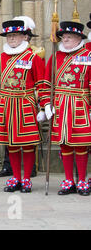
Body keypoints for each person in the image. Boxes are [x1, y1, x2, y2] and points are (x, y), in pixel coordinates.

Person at [0, 18, 45, 193]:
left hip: (25, 104)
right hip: (5, 104)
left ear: (24, 36)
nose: (11, 38)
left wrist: (43, 106)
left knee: (27, 144)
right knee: (10, 144)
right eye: (9, 36)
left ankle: (26, 178)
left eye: (15, 35)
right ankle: (16, 178)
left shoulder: (32, 57)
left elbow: (42, 83)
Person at [43, 21, 91, 196]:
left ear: (79, 37)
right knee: (64, 145)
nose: (65, 40)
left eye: (69, 37)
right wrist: (46, 104)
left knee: (81, 145)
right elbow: (46, 83)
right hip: (61, 106)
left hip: (81, 105)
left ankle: (83, 181)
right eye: (63, 37)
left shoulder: (88, 55)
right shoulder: (55, 57)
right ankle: (69, 180)